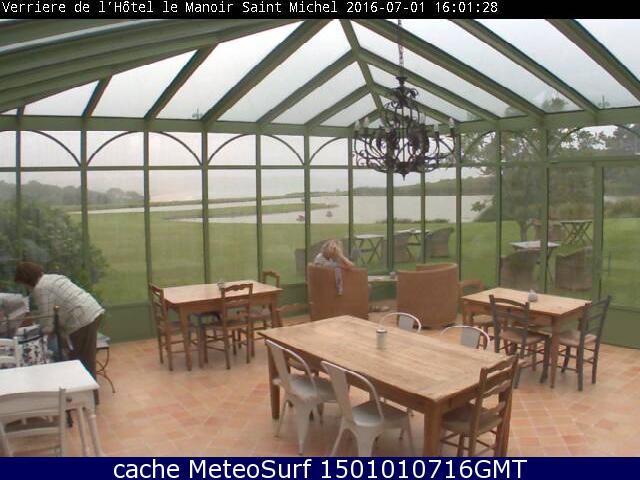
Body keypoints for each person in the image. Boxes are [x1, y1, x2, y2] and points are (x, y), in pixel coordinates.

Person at [14, 262, 104, 380]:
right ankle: (83, 386)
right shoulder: (52, 278)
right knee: (80, 357)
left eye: (24, 284)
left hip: (82, 319)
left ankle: (89, 389)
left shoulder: (41, 288)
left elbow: (47, 319)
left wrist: (40, 333)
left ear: (26, 279)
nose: (26, 287)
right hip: (91, 310)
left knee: (84, 362)